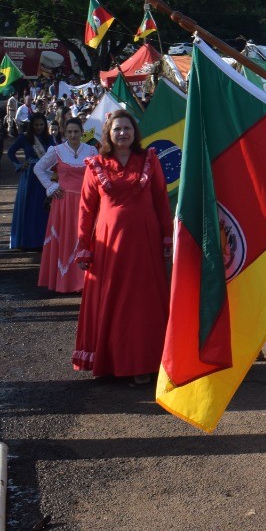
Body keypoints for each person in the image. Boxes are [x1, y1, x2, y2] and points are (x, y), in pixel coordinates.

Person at [73, 110, 173, 382]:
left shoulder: (149, 159)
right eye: (117, 129)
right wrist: (83, 246)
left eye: (127, 128)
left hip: (145, 242)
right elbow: (86, 209)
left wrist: (167, 236)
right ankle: (114, 363)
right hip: (109, 245)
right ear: (108, 132)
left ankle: (145, 363)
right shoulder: (96, 164)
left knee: (143, 302)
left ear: (134, 132)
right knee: (114, 300)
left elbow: (161, 201)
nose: (122, 133)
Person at [34, 119, 96, 294]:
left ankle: (84, 281)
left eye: (76, 131)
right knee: (67, 237)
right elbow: (38, 168)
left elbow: (97, 174)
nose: (73, 135)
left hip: (86, 201)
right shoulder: (57, 150)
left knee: (83, 237)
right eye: (69, 132)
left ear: (82, 132)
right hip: (64, 202)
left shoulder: (91, 150)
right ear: (65, 133)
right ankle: (66, 281)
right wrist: (51, 186)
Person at [7, 118, 52, 250]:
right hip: (30, 176)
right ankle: (26, 241)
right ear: (32, 125)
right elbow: (10, 152)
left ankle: (41, 240)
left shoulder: (49, 138)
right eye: (36, 124)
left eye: (41, 124)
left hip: (44, 175)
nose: (39, 127)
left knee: (42, 207)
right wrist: (19, 165)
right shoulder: (25, 137)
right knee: (28, 206)